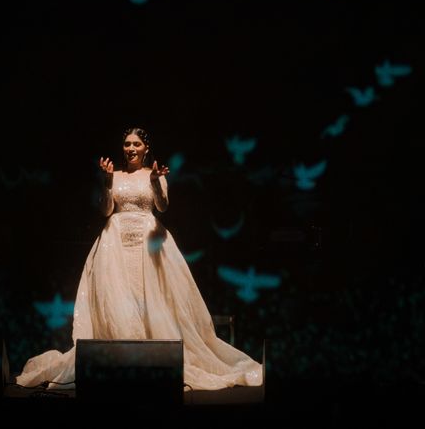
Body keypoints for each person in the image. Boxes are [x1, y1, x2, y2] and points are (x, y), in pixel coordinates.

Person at [15, 128, 263, 390]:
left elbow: (163, 206)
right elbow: (106, 210)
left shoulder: (154, 174)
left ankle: (155, 364)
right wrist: (107, 182)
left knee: (152, 301)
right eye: (126, 144)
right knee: (118, 303)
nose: (131, 148)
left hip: (148, 241)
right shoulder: (115, 175)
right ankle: (121, 364)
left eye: (136, 144)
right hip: (115, 242)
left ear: (146, 148)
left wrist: (155, 181)